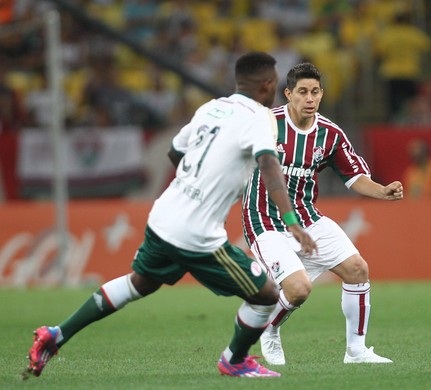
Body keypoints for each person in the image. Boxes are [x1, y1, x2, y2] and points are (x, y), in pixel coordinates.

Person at [23, 52, 317, 379]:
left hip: (164, 216)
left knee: (140, 283)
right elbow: (269, 166)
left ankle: (55, 334)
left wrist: (197, 184)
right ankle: (234, 360)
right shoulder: (260, 118)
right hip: (197, 235)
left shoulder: (212, 107)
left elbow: (175, 150)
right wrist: (291, 221)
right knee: (266, 295)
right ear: (267, 84)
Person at [242, 62, 403, 365]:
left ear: (322, 94)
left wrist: (382, 191)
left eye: (315, 92)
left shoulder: (329, 133)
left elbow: (354, 176)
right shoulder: (265, 124)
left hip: (308, 218)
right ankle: (268, 328)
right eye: (302, 92)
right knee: (299, 289)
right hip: (265, 221)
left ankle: (356, 351)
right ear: (288, 94)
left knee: (358, 269)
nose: (309, 98)